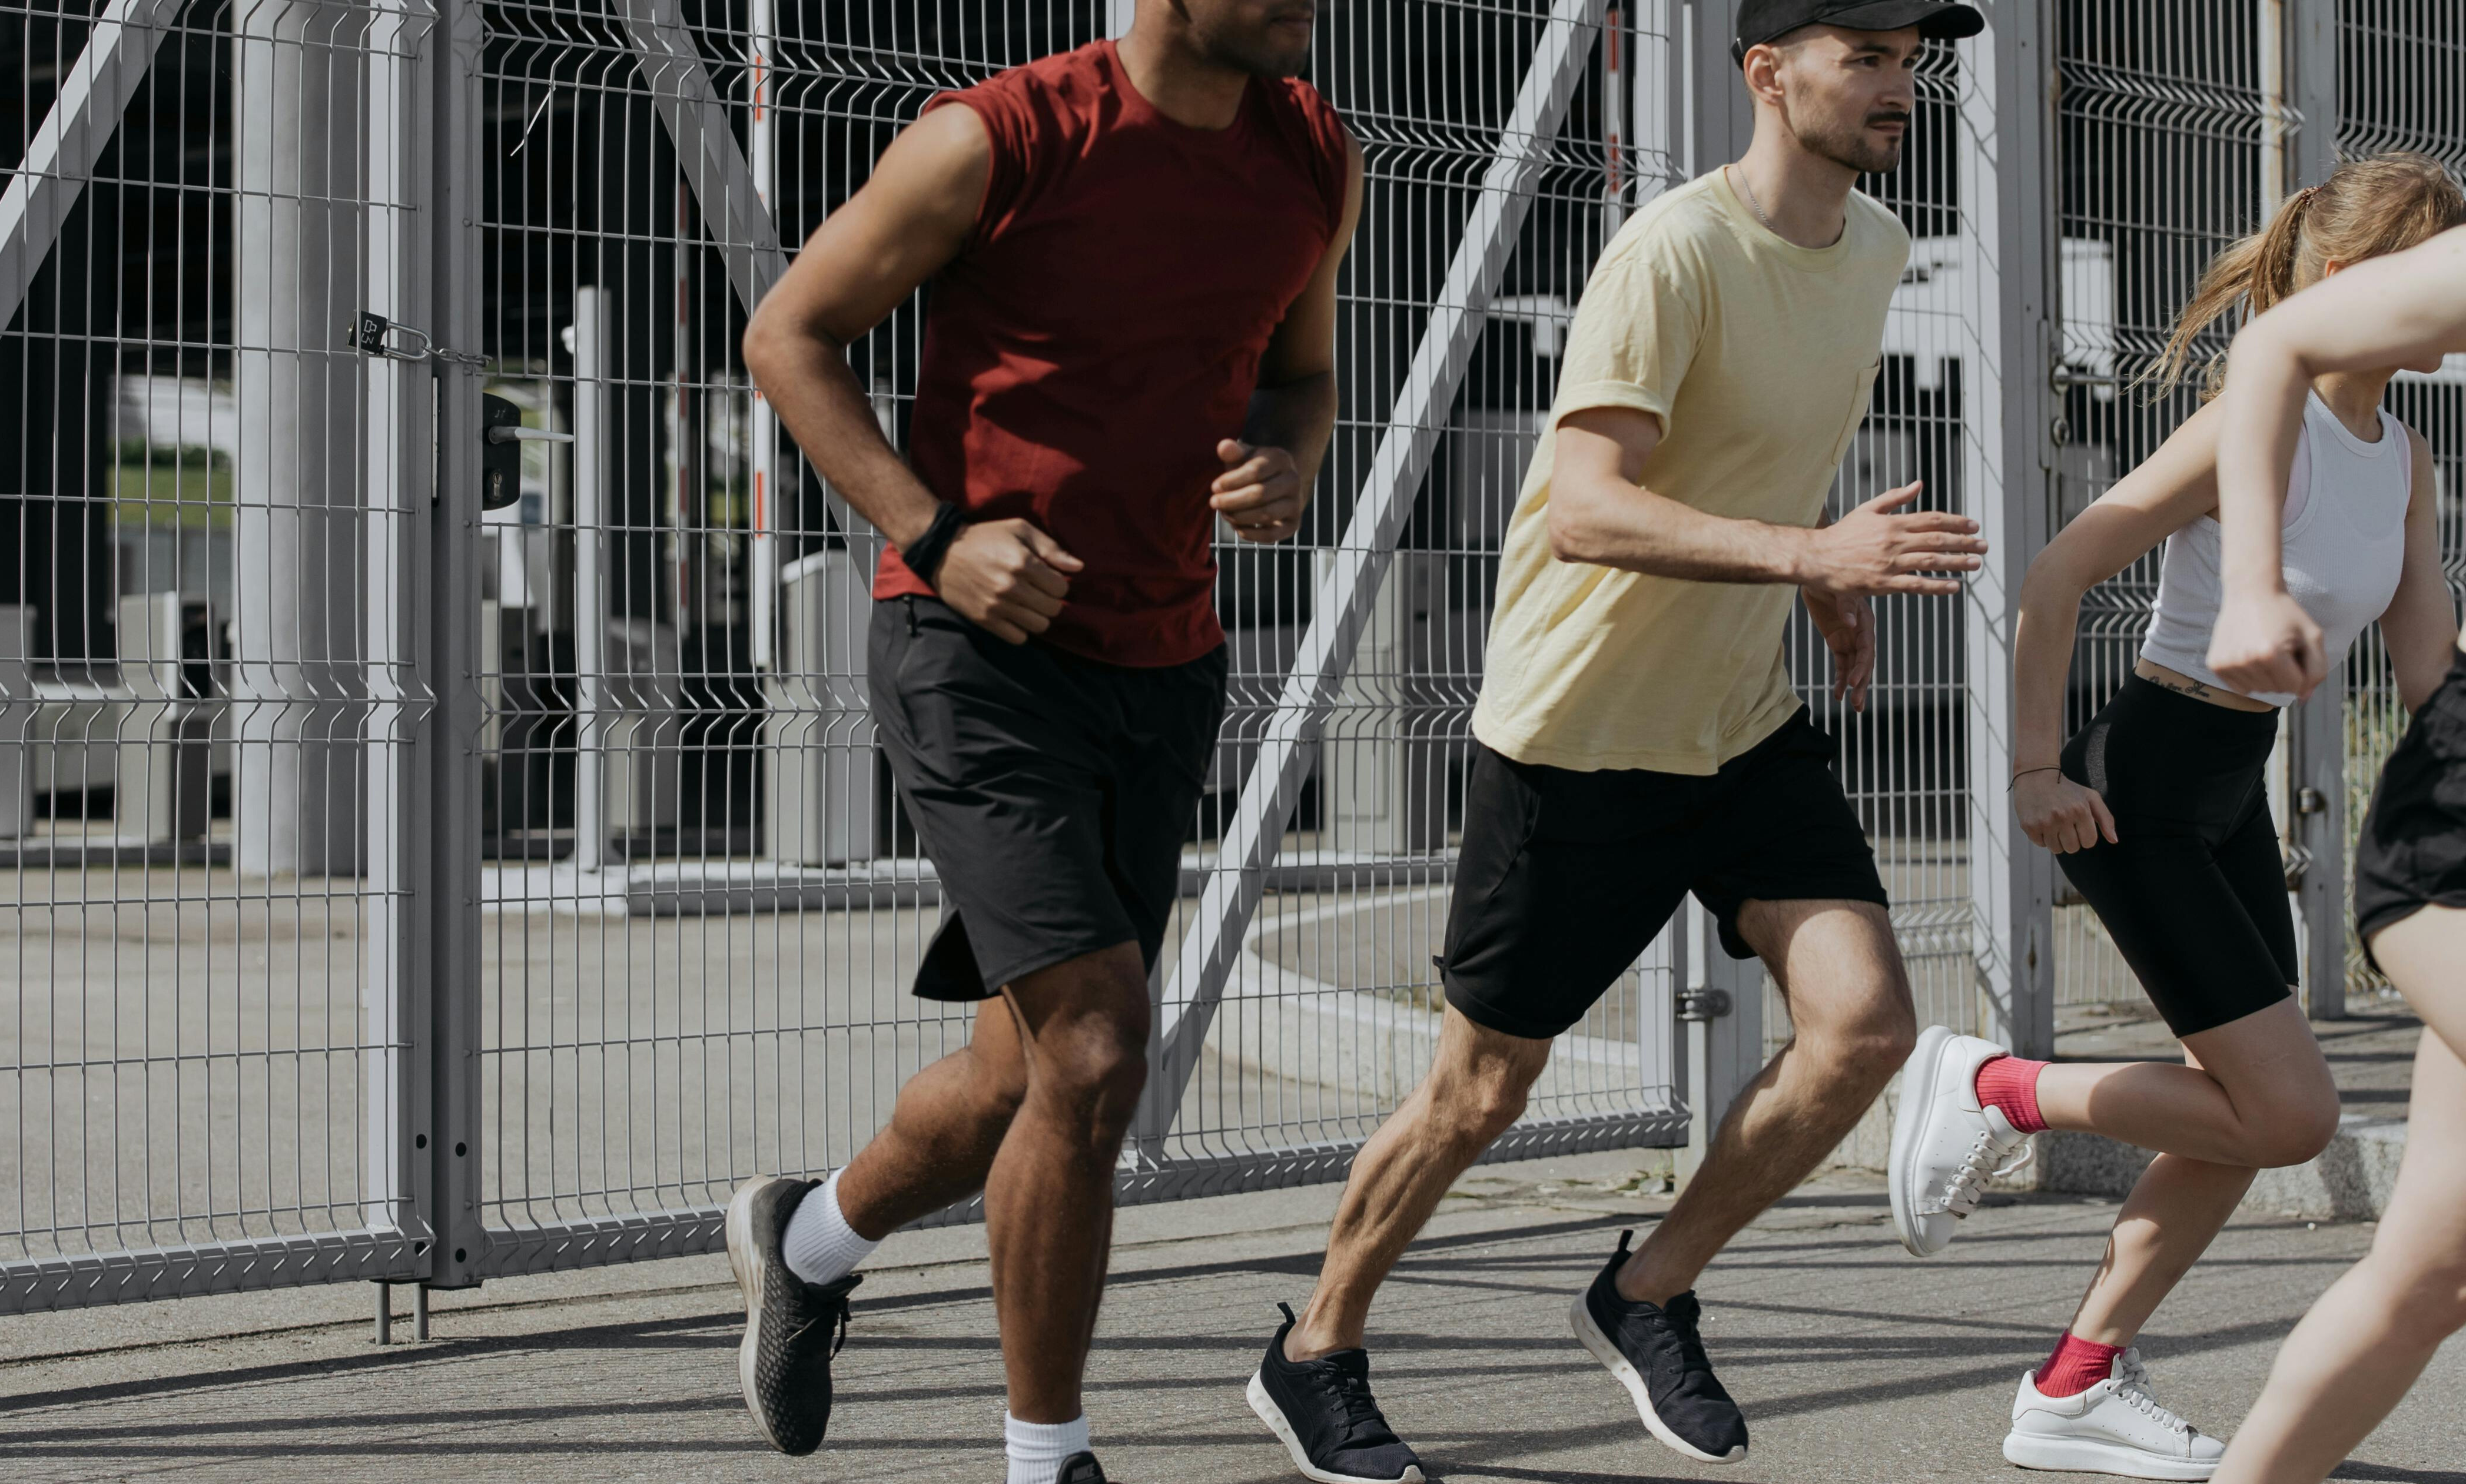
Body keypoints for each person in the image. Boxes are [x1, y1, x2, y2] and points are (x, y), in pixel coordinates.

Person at [1243, 4, 1988, 1479]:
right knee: (1478, 1091)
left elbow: (1767, 451)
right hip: (1578, 736)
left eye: (1911, 60)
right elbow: (1585, 507)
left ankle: (1644, 1291)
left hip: (1737, 722)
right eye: (1866, 55)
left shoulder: (1877, 246)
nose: (1899, 83)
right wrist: (1802, 554)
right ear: (1765, 72)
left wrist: (1817, 582)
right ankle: (1312, 1347)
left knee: (1863, 1029)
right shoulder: (1670, 253)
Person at [726, 2, 1363, 1480]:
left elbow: (1303, 373)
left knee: (1022, 1077)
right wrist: (934, 536)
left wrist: (1287, 459)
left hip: (1167, 656)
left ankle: (805, 1241)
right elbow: (787, 334)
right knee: (1094, 1046)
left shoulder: (1314, 152)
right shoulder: (991, 139)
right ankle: (1045, 1457)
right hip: (976, 654)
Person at [1888, 155, 2464, 1482]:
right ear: (2348, 284)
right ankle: (1996, 1087)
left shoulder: (2404, 455)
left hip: (2226, 789)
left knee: (2246, 1110)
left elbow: (2428, 668)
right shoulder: (2251, 424)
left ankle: (2074, 1382)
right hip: (2137, 786)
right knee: (2286, 1115)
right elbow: (2059, 571)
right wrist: (2034, 772)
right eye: (2434, 262)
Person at [2188, 221, 2466, 1484]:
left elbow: (2425, 660)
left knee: (2428, 1275)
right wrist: (2254, 585)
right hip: (2455, 848)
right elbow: (2277, 343)